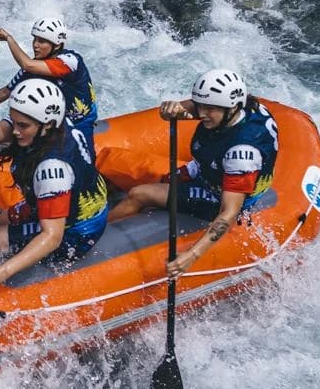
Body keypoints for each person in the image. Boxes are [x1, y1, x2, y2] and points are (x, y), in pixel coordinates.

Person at [108, 68, 279, 278]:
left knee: (139, 194)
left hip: (219, 193)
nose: (202, 113)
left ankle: (101, 240)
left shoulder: (241, 155)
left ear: (232, 108)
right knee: (140, 174)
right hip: (207, 168)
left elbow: (228, 213)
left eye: (210, 109)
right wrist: (171, 108)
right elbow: (183, 109)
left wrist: (192, 255)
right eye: (200, 106)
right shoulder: (246, 107)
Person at [0, 79, 109, 291]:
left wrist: (4, 270)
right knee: (2, 216)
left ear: (46, 124)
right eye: (15, 122)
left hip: (73, 232)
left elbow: (52, 237)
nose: (16, 131)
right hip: (70, 206)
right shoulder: (56, 124)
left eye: (23, 126)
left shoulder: (52, 169)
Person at [0, 17, 99, 152]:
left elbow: (27, 64)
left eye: (41, 41)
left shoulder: (70, 61)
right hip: (45, 118)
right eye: (35, 39)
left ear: (57, 45)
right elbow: (5, 92)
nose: (35, 45)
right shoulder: (33, 67)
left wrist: (9, 39)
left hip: (78, 121)